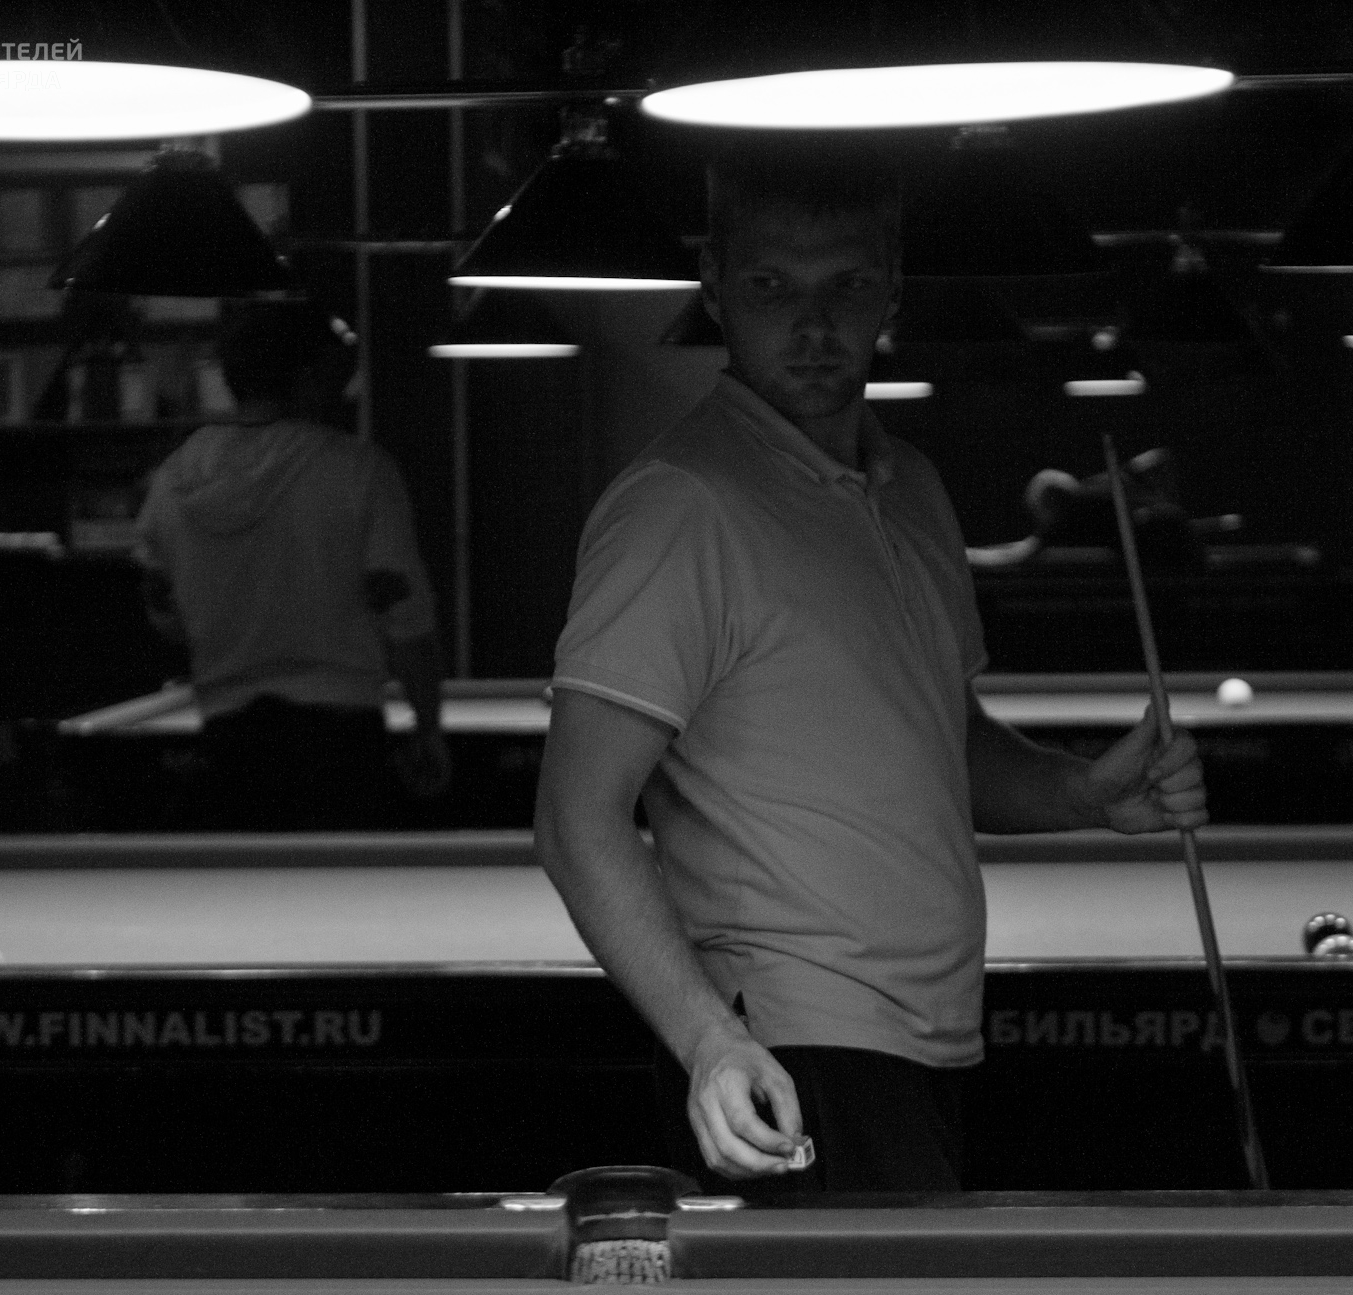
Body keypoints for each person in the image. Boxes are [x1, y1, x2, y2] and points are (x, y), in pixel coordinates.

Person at [534, 142, 1208, 1194]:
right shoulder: (679, 506)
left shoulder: (912, 487)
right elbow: (575, 817)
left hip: (931, 1038)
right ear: (714, 283)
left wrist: (1084, 791)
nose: (812, 326)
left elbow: (943, 742)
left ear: (891, 285)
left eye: (844, 286)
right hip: (787, 1054)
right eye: (771, 287)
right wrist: (710, 1041)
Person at [135, 301, 449, 830]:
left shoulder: (170, 481)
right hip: (342, 740)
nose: (345, 392)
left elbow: (165, 619)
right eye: (336, 375)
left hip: (229, 739)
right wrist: (428, 728)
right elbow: (405, 618)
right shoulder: (358, 471)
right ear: (308, 378)